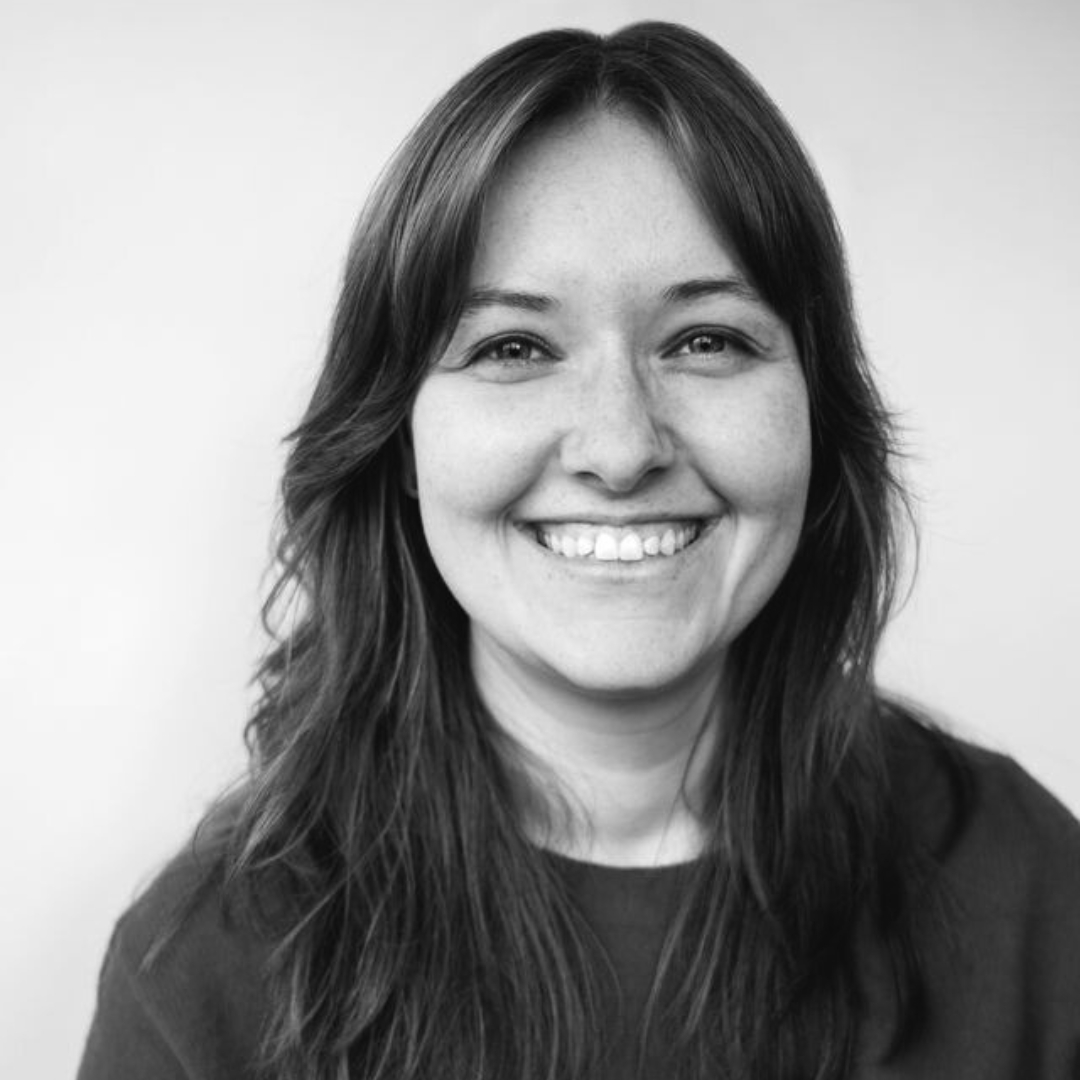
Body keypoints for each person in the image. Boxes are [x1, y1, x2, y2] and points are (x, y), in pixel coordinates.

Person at [77, 21, 1080, 1080]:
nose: (619, 447)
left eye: (707, 342)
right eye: (514, 348)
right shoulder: (202, 973)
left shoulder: (1029, 892)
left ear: (816, 415)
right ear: (400, 439)